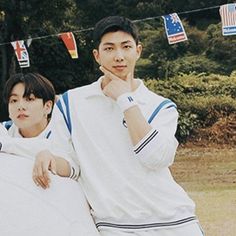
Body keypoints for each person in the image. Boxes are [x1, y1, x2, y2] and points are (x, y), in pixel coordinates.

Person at [33, 16, 204, 236]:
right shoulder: (71, 103)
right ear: (97, 55)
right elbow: (72, 166)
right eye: (109, 48)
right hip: (115, 227)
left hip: (175, 223)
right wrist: (48, 158)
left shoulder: (161, 106)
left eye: (126, 47)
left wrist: (125, 99)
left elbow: (155, 158)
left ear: (138, 51)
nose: (119, 56)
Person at [0, 73, 100, 236]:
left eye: (30, 99)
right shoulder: (5, 133)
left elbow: (72, 168)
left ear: (48, 106)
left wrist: (49, 157)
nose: (21, 106)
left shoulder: (64, 132)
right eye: (14, 100)